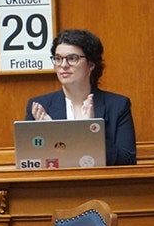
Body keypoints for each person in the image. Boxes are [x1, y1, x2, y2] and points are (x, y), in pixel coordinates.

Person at [25, 29, 137, 166]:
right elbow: (29, 163)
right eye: (58, 58)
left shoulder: (118, 106)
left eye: (72, 58)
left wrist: (90, 133)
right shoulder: (40, 107)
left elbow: (127, 161)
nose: (63, 65)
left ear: (91, 65)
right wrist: (52, 131)